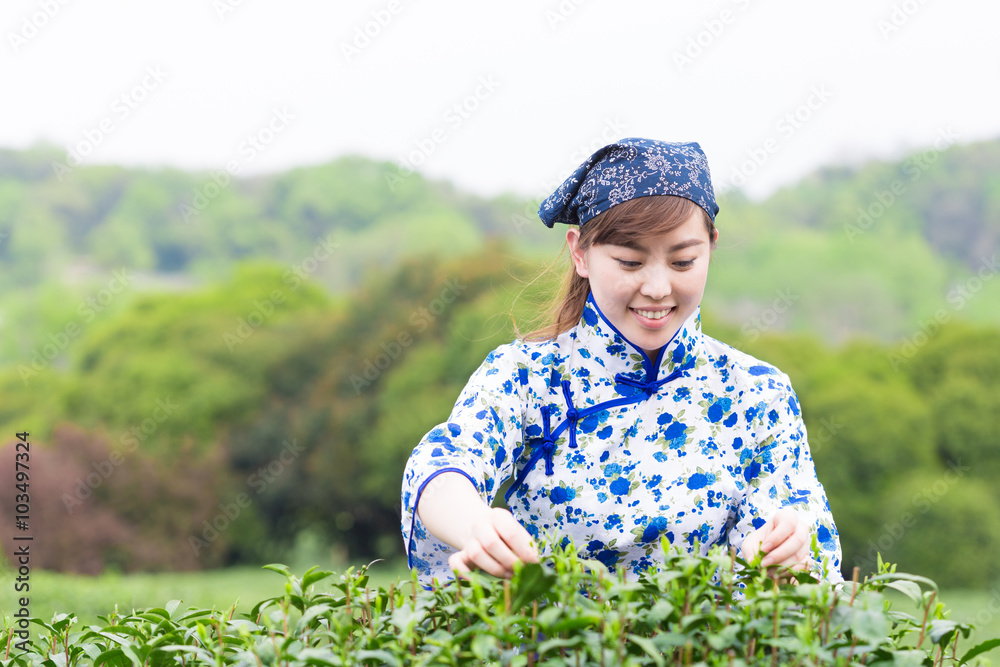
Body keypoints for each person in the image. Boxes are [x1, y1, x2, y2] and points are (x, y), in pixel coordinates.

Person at [400, 138, 843, 585]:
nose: (656, 287)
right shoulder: (526, 375)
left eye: (683, 261)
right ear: (580, 253)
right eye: (630, 262)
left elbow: (802, 529)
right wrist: (478, 526)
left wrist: (778, 553)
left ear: (711, 246)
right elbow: (441, 468)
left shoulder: (757, 392)